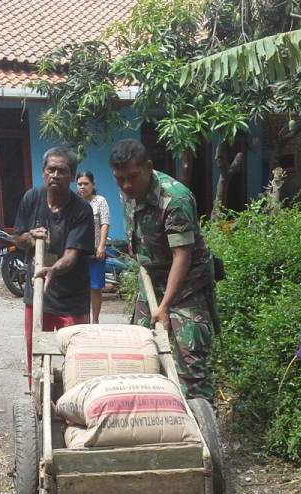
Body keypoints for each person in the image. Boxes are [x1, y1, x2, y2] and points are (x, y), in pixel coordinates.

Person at [109, 139, 217, 401]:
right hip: (151, 282)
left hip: (186, 288)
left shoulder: (175, 199)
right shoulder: (127, 192)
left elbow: (182, 257)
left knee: (191, 367)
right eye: (120, 179)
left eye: (132, 177)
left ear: (149, 167)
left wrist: (165, 306)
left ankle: (199, 421)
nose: (126, 185)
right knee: (141, 354)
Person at [13, 147, 95, 382]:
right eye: (51, 170)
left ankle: (74, 396)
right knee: (36, 352)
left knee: (76, 357)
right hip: (38, 293)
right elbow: (18, 237)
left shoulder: (82, 210)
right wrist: (29, 237)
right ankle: (37, 395)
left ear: (72, 176)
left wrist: (54, 269)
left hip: (71, 298)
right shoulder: (31, 198)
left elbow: (71, 256)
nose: (55, 175)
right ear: (43, 172)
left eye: (62, 171)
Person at [76, 171, 111, 323]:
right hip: (78, 252)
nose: (82, 187)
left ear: (93, 185)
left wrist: (102, 246)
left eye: (86, 183)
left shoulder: (100, 201)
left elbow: (105, 223)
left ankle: (95, 320)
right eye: (79, 184)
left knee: (95, 287)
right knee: (79, 287)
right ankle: (81, 320)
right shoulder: (74, 202)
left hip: (96, 252)